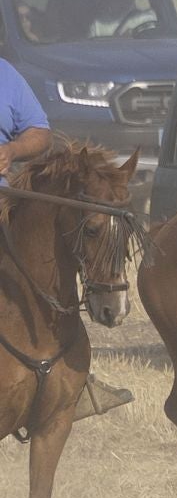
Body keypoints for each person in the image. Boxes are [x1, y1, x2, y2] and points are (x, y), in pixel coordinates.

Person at [0, 56, 133, 419]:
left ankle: (70, 378)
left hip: (5, 199)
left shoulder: (5, 73)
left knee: (53, 263)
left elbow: (38, 133)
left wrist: (11, 150)